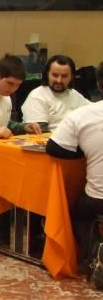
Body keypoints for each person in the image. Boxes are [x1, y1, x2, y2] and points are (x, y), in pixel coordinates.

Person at [46, 62, 103, 270]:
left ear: (99, 84)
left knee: (78, 210)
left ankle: (93, 258)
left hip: (98, 197)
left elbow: (54, 147)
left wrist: (85, 151)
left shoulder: (83, 114)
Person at [22, 54, 90, 132]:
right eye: (55, 75)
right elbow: (39, 132)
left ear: (71, 77)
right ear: (47, 74)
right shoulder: (37, 96)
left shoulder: (74, 94)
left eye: (64, 76)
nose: (59, 80)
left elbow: (95, 113)